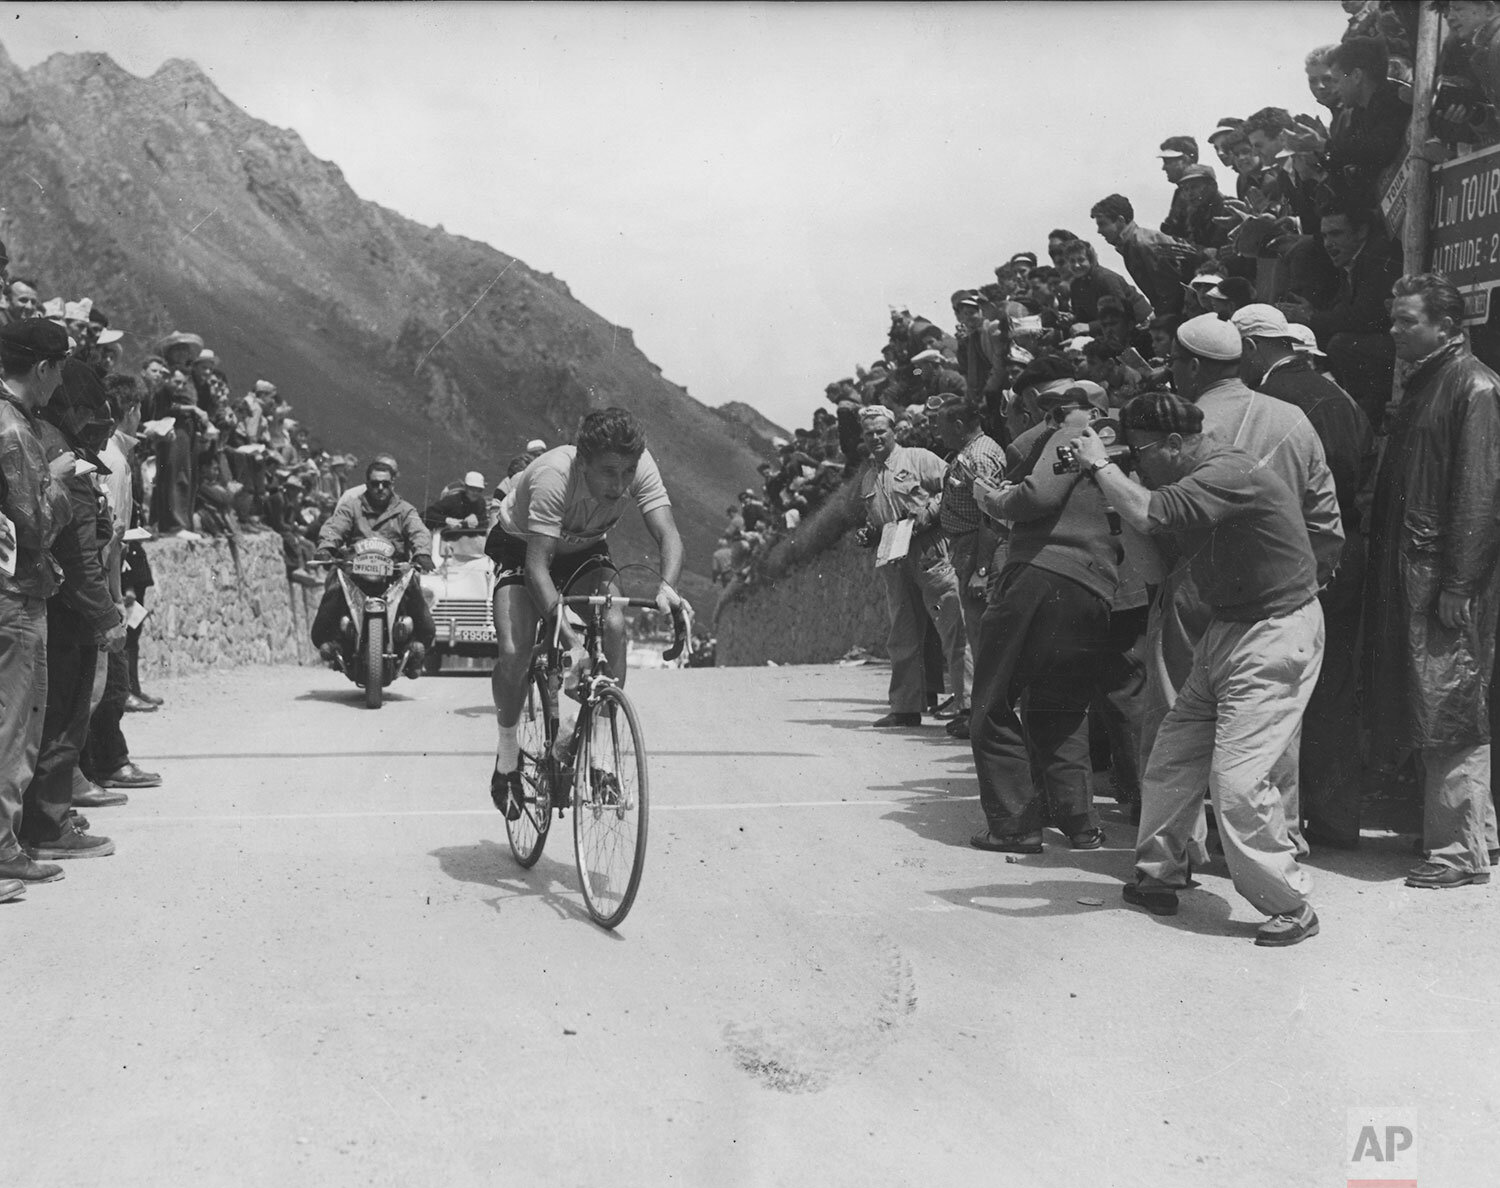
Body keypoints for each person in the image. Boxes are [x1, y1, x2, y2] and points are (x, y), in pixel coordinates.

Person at [1074, 391, 1323, 946]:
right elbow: (1157, 565)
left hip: (1275, 630)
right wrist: (1113, 498)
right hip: (1229, 627)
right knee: (1173, 754)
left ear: (1174, 443)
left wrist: (1100, 467)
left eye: (1137, 454)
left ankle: (1290, 903)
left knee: (1237, 780)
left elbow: (1149, 510)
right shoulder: (1184, 480)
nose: (1132, 465)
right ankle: (1158, 871)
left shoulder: (1226, 471)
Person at [1137, 314, 1342, 863]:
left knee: (1181, 721)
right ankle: (1279, 838)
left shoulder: (1179, 423)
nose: (1171, 371)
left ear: (1196, 365)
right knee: (1267, 725)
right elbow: (1326, 520)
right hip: (1279, 591)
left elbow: (1149, 515)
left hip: (1192, 583)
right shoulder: (1292, 419)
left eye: (1176, 362)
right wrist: (1302, 581)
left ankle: (1184, 851)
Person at [484, 408, 687, 818]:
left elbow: (668, 533)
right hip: (524, 547)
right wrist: (572, 644)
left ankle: (598, 756)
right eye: (609, 473)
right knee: (514, 651)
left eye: (627, 473)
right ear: (584, 463)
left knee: (614, 626)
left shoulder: (638, 465)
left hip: (584, 549)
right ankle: (507, 761)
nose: (620, 485)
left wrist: (668, 587)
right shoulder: (554, 475)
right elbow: (538, 569)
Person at [1365, 274, 1500, 889]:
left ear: (1448, 327)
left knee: (1449, 707)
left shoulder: (1472, 387)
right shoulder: (1431, 382)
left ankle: (1457, 853)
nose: (1394, 331)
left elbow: (1479, 493)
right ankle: (1474, 839)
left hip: (1441, 577)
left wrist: (1460, 582)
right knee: (1442, 703)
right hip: (1421, 571)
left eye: (1406, 321)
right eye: (1393, 320)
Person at [1233, 304, 1375, 847]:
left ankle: (1282, 830)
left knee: (1278, 691)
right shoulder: (1342, 397)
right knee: (1334, 687)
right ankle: (1337, 819)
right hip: (1345, 550)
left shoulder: (1270, 402)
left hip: (1294, 558)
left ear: (1253, 347)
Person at [966, 386, 1121, 853]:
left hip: (1040, 576)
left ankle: (1014, 825)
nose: (1050, 419)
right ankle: (1080, 823)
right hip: (1096, 587)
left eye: (1055, 410)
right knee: (1063, 707)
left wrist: (989, 497)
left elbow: (1037, 495)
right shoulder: (1119, 444)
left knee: (992, 703)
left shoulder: (1073, 431)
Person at [21, 359, 126, 862]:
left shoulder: (41, 437)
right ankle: (49, 824)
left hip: (54, 604)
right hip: (69, 612)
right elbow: (80, 555)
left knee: (48, 721)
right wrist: (106, 616)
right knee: (62, 723)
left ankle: (46, 813)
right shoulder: (64, 456)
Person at [0, 320, 77, 891]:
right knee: (13, 727)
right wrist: (57, 480)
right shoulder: (15, 431)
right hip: (15, 596)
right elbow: (38, 522)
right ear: (44, 369)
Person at [853, 403, 966, 729]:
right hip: (893, 554)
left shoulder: (919, 458)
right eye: (868, 433)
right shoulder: (869, 477)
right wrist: (869, 532)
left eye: (880, 432)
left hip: (929, 549)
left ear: (893, 432)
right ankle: (905, 707)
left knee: (953, 626)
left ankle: (968, 705)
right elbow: (876, 518)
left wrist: (927, 515)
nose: (875, 438)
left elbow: (957, 488)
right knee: (902, 632)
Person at [1281, 204, 1401, 428]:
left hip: (1393, 350)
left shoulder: (1377, 255)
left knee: (1341, 344)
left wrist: (1311, 318)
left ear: (1361, 231)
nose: (1328, 243)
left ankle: (1364, 420)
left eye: (1336, 234)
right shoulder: (1354, 260)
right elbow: (1345, 310)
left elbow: (1367, 316)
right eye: (1325, 235)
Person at [312, 459, 436, 676]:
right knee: (334, 586)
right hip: (356, 570)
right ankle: (332, 641)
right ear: (367, 484)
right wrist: (327, 546)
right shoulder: (352, 507)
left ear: (392, 485)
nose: (380, 488)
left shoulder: (404, 510)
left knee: (414, 592)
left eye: (385, 484)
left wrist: (422, 553)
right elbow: (336, 526)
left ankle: (417, 647)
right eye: (375, 483)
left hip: (394, 571)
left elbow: (418, 531)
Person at [929, 392, 1006, 739]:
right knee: (974, 634)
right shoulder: (967, 453)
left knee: (982, 635)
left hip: (978, 547)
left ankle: (987, 717)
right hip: (965, 546)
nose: (938, 435)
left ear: (959, 424)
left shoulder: (981, 457)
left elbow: (992, 516)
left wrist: (982, 569)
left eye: (943, 427)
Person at [1323, 35, 1412, 207]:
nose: (1334, 89)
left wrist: (1321, 145)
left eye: (1337, 80)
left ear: (1356, 76)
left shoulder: (1394, 99)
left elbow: (1379, 149)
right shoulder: (1359, 112)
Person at [1089, 194, 1202, 316]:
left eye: (1102, 224)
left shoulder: (1143, 244)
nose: (1099, 231)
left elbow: (1170, 293)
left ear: (1120, 221)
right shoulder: (1132, 243)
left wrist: (1161, 321)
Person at [1060, 239, 1152, 332]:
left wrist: (1090, 326)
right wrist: (1072, 319)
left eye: (1081, 260)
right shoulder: (1075, 285)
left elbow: (1122, 314)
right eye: (1072, 261)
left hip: (1141, 325)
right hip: (1112, 329)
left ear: (1091, 260)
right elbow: (1083, 318)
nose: (1076, 265)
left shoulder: (1106, 279)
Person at [423, 470, 489, 530]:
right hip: (448, 537)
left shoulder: (481, 502)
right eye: (472, 489)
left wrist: (477, 518)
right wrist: (446, 520)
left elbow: (485, 521)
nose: (475, 493)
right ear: (465, 487)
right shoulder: (452, 501)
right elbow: (425, 515)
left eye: (479, 490)